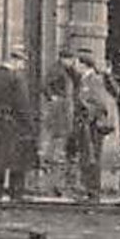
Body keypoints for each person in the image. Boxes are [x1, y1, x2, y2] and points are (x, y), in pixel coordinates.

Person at [0, 46, 37, 201]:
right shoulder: (17, 79)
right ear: (16, 61)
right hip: (14, 125)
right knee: (17, 162)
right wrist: (29, 126)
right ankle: (15, 195)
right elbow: (22, 105)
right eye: (22, 62)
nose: (23, 66)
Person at [72, 49, 112, 201]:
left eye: (77, 63)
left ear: (84, 64)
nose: (75, 66)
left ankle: (93, 191)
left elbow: (100, 103)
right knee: (86, 157)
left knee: (92, 157)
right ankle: (87, 189)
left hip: (93, 126)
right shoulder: (84, 79)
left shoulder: (94, 80)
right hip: (85, 124)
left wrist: (88, 112)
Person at [41, 48, 80, 195]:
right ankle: (53, 180)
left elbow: (77, 81)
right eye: (70, 59)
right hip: (59, 110)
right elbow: (45, 86)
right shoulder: (56, 70)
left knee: (63, 141)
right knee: (57, 141)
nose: (71, 62)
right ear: (64, 58)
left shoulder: (68, 71)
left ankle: (60, 179)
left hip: (66, 110)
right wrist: (53, 97)